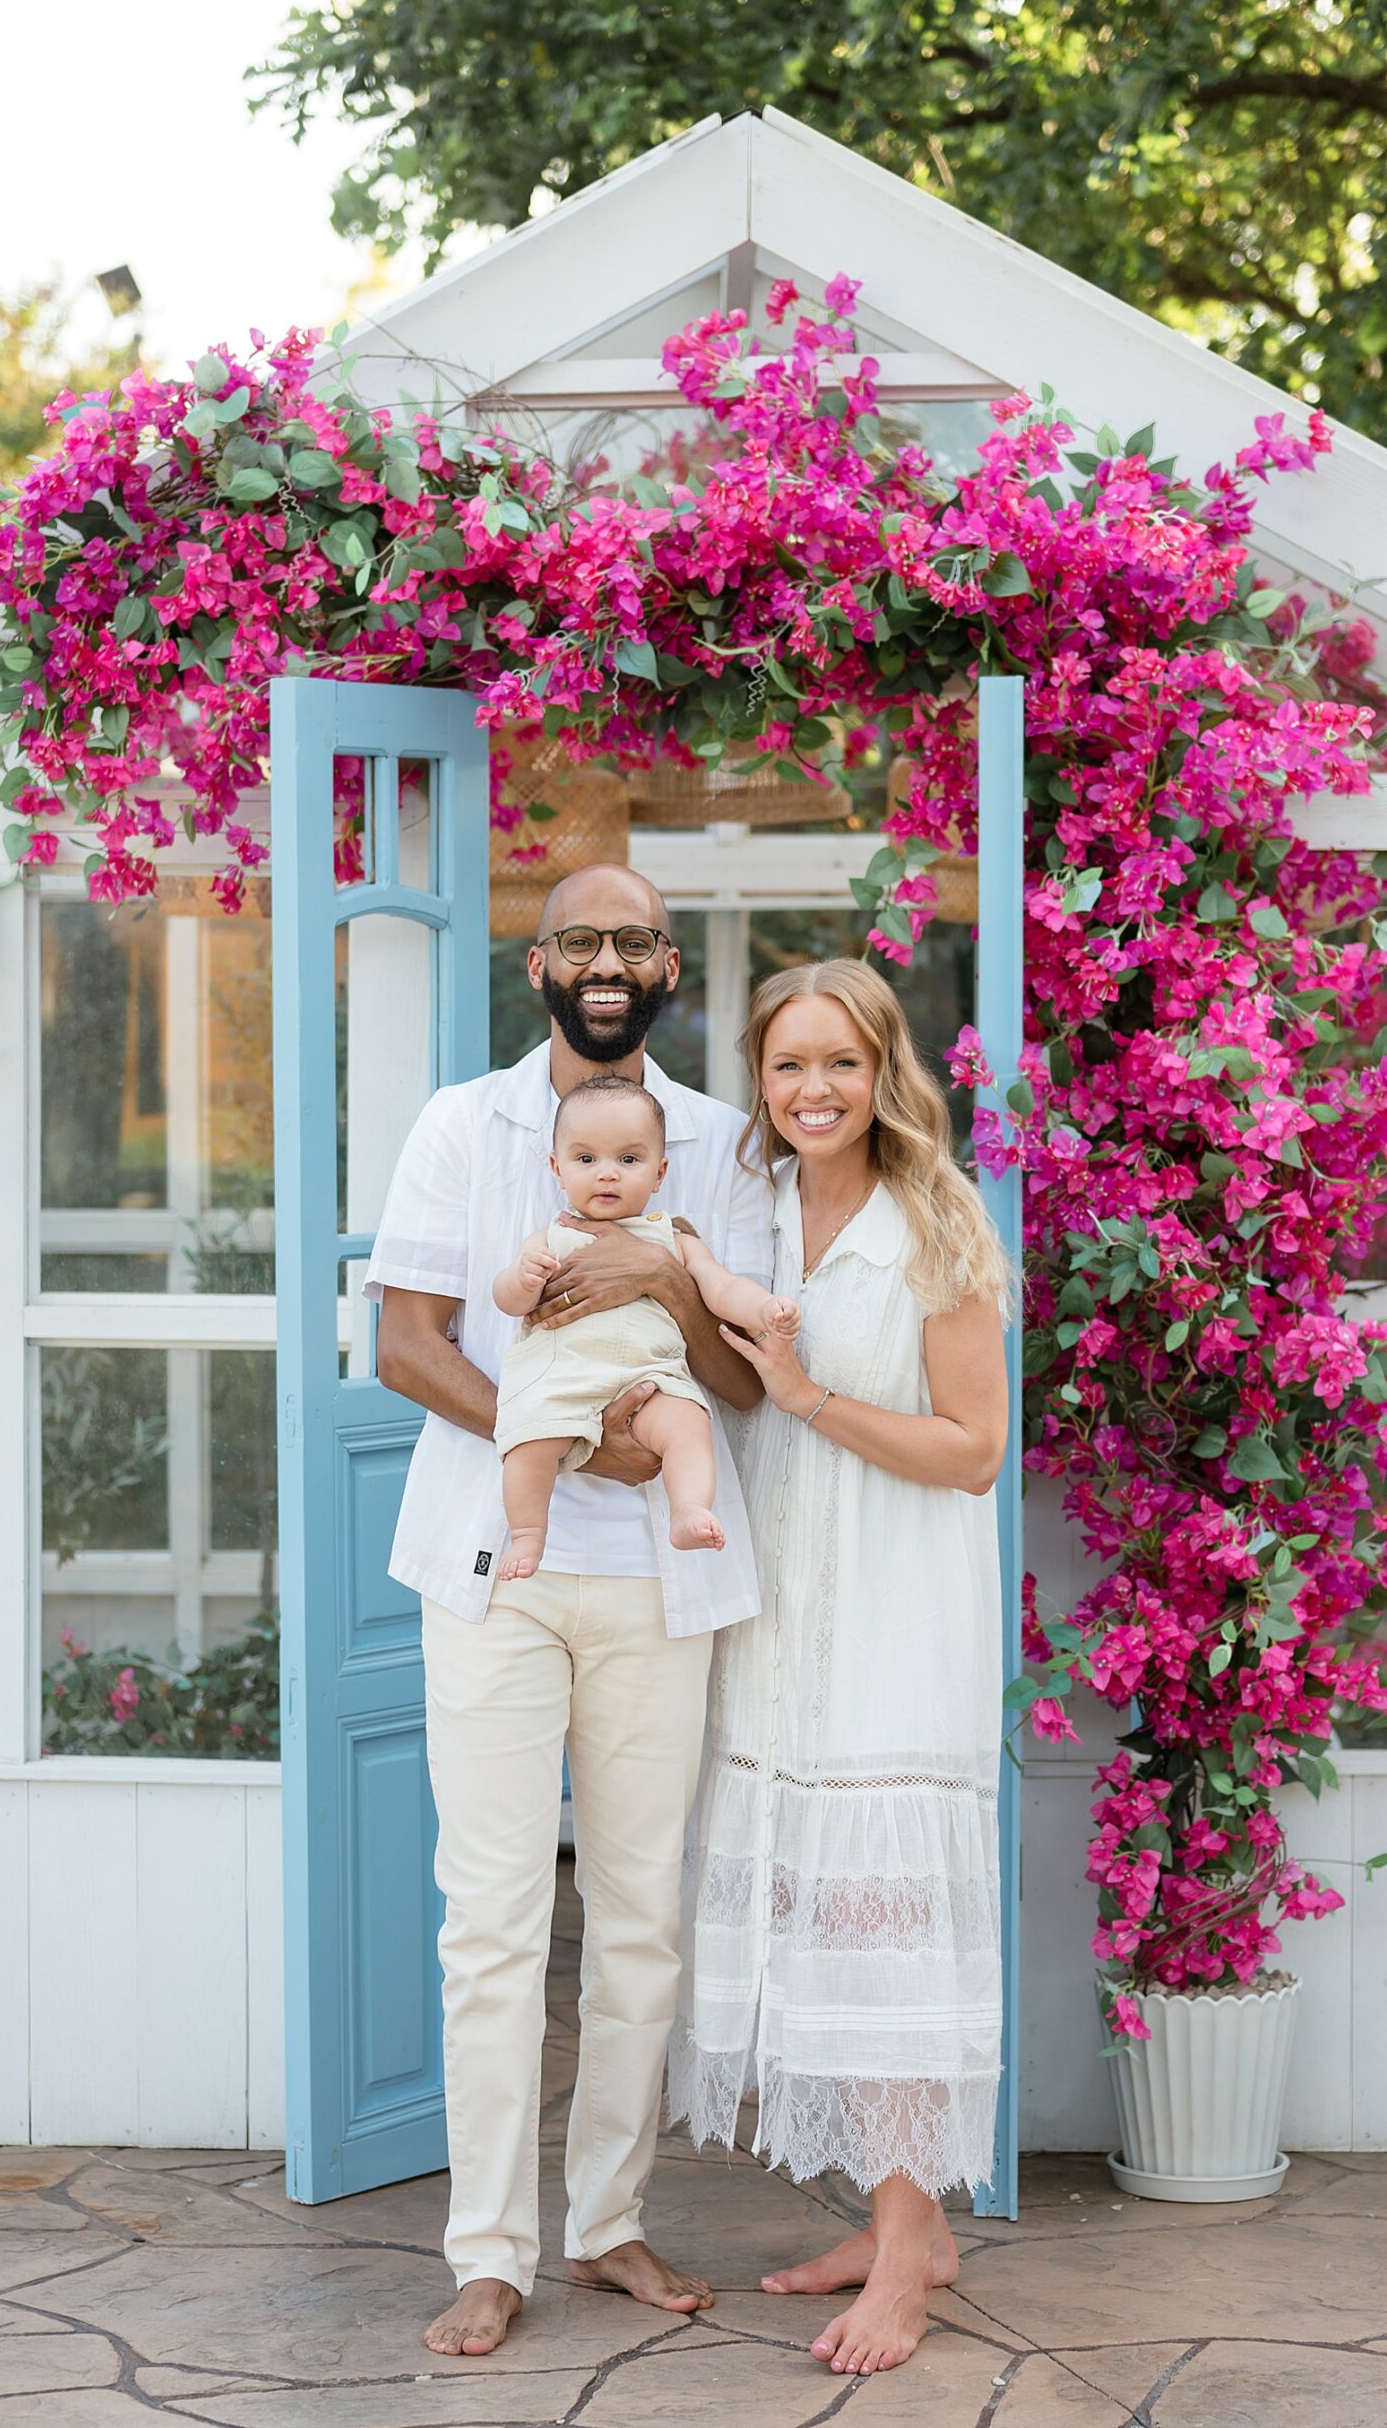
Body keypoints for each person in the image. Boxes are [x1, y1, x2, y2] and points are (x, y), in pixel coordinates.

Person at [366, 865, 773, 2360]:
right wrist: (566, 1439)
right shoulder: (456, 1128)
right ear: (538, 962)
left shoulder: (720, 1144)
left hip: (663, 1578)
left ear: (665, 963)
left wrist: (660, 1291)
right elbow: (408, 1343)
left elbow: (745, 1383)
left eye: (633, 941)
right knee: (490, 1919)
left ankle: (605, 2223)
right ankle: (489, 2248)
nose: (606, 963)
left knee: (642, 1919)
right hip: (493, 1564)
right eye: (579, 940)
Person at [669, 956, 1012, 2379]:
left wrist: (810, 1396)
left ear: (885, 1074)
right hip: (782, 1619)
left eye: (839, 1064)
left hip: (892, 1620)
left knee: (883, 1948)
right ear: (760, 1077)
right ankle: (899, 2228)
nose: (811, 1091)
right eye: (787, 1065)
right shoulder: (754, 1207)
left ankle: (909, 2253)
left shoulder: (934, 1220)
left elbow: (973, 1447)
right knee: (822, 1927)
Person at [493, 1072, 800, 1579]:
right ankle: (528, 1533)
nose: (607, 1174)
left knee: (687, 1423)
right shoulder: (552, 1236)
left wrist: (765, 1309)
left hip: (650, 1380)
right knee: (528, 1441)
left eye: (628, 1160)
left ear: (659, 1174)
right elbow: (506, 1299)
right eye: (586, 1159)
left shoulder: (672, 1238)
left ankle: (690, 1509)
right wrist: (523, 1280)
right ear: (557, 1167)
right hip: (561, 1379)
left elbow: (721, 1289)